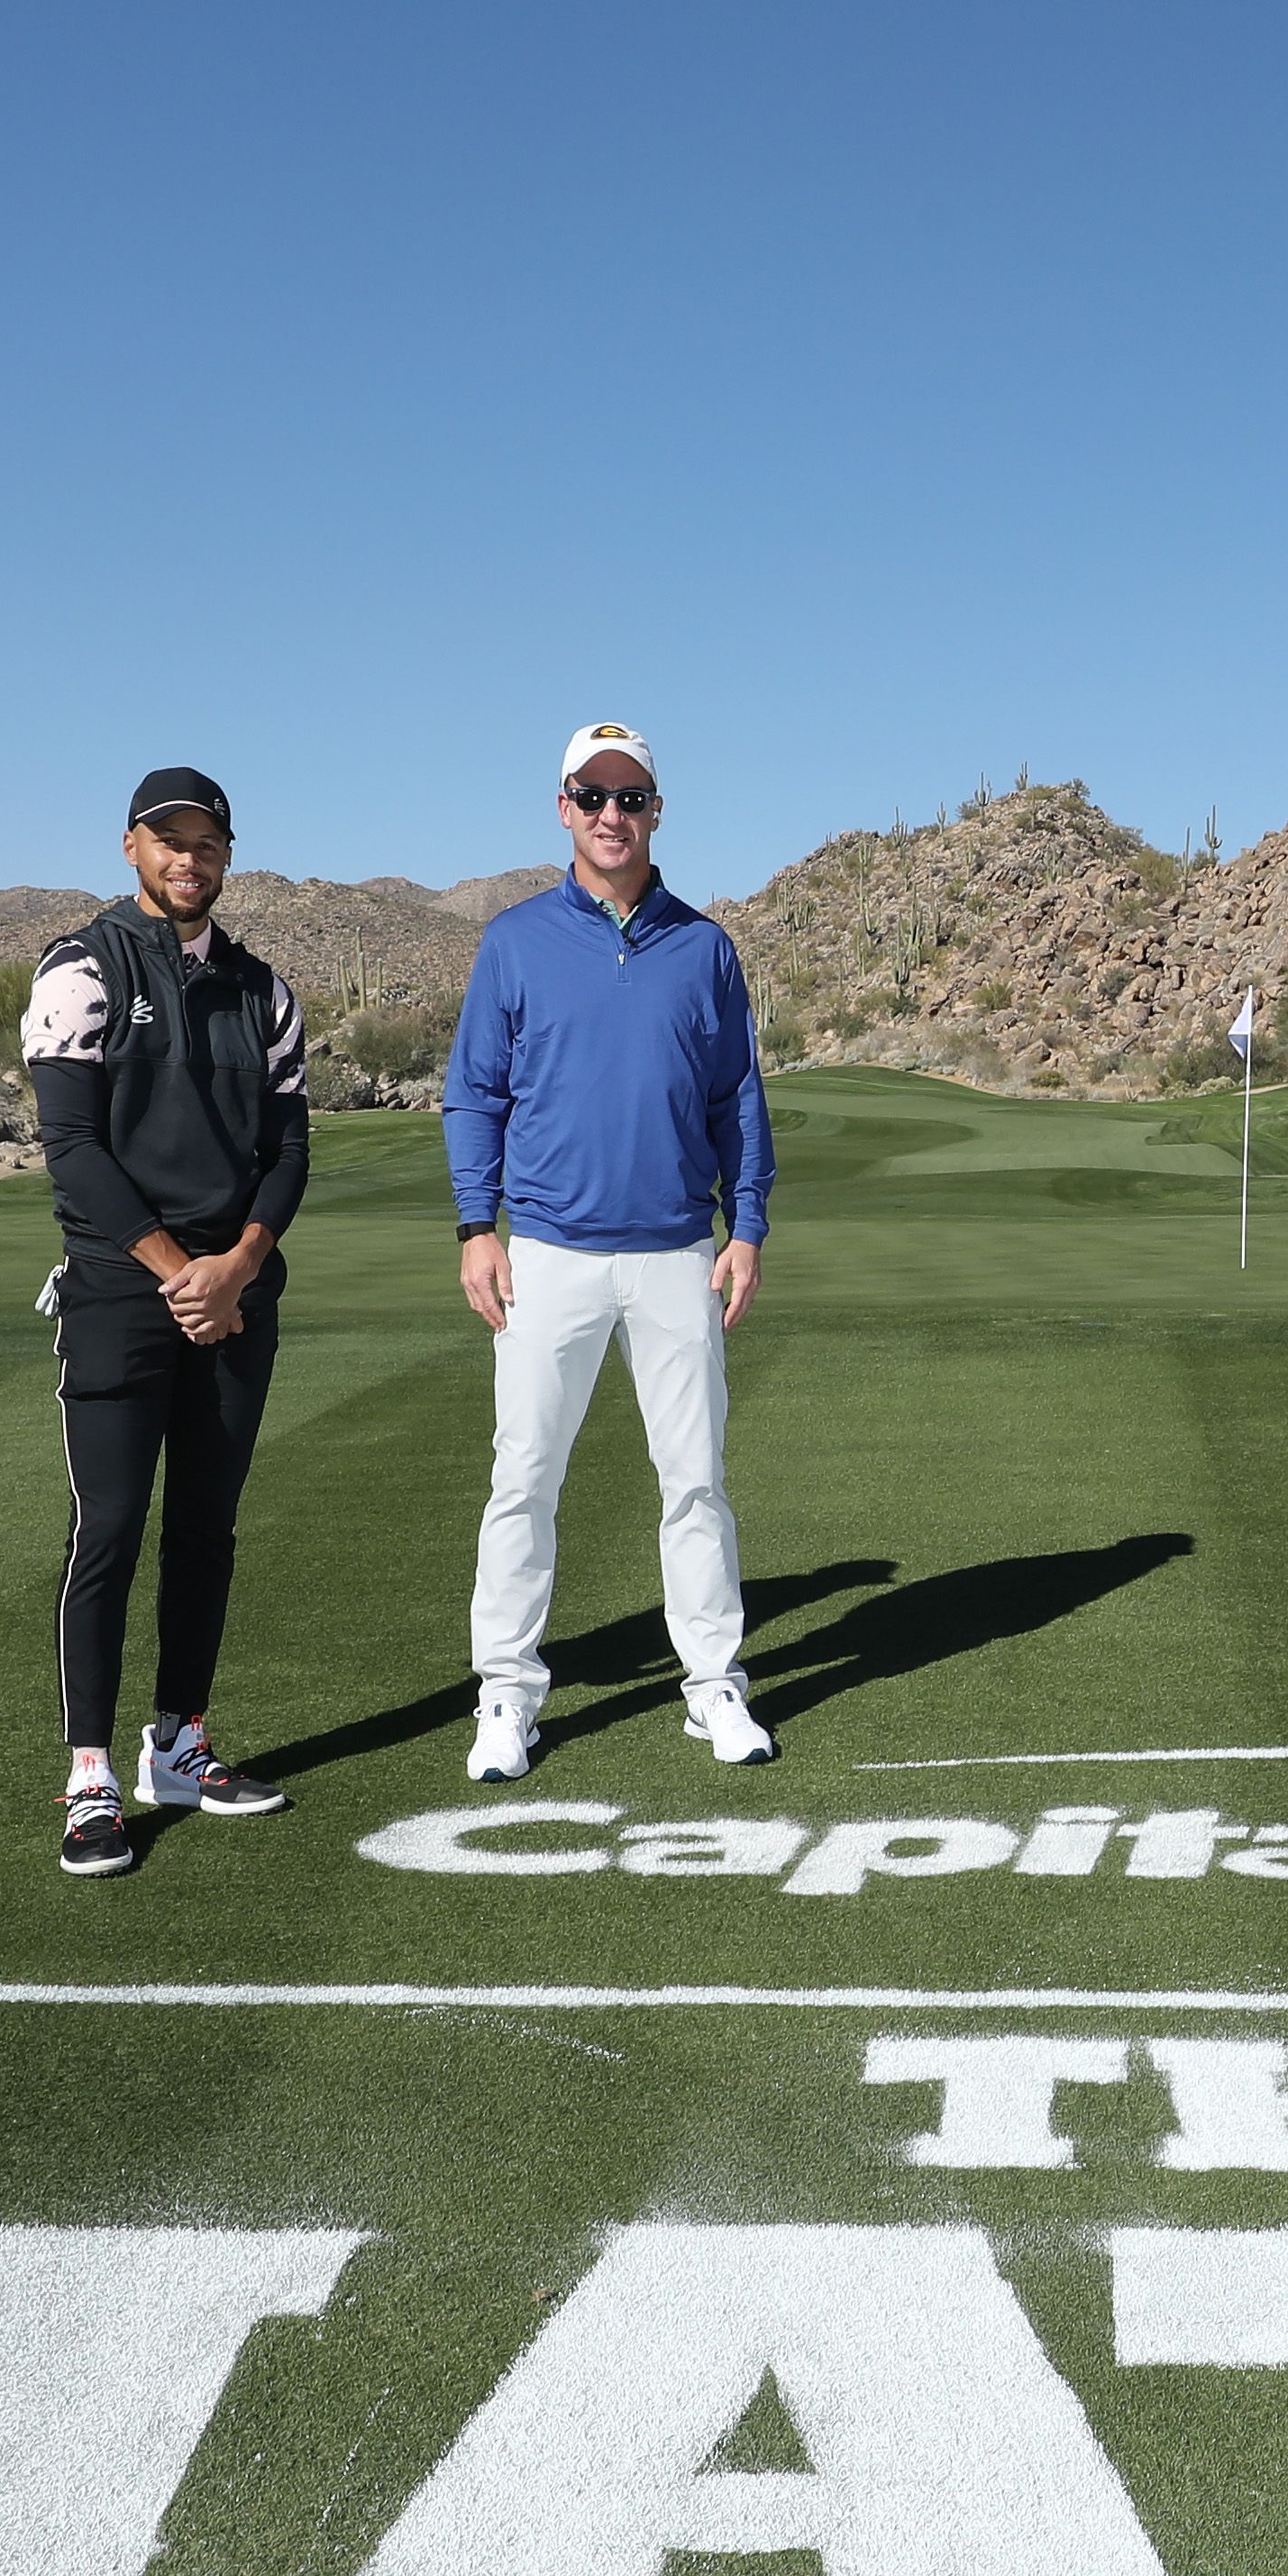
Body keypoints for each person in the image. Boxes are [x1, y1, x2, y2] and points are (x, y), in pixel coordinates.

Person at [450, 721, 781, 1782]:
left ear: (655, 811)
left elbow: (737, 1098)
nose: (610, 814)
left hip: (677, 1251)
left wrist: (747, 1226)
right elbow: (475, 1092)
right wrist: (476, 1226)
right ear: (563, 808)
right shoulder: (514, 941)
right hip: (547, 1250)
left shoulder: (704, 946)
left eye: (629, 797)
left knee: (695, 1482)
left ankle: (713, 1683)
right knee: (524, 1479)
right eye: (591, 795)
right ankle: (507, 1693)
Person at [24, 766, 310, 1875]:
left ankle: (180, 1744)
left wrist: (235, 1266)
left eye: (206, 843)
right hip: (119, 1290)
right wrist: (176, 1270)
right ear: (132, 847)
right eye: (168, 840)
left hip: (234, 1295)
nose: (188, 859)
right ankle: (91, 1775)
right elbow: (73, 1147)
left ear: (227, 855)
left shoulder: (262, 990)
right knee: (107, 1528)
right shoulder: (81, 967)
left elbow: (288, 1149)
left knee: (205, 1526)